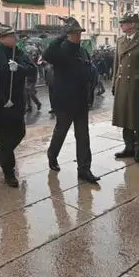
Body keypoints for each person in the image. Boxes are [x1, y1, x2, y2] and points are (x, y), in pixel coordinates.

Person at [44, 17, 101, 184]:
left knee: (83, 136)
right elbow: (47, 54)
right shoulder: (60, 50)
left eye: (79, 33)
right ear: (68, 35)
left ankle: (84, 169)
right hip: (65, 100)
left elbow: (89, 70)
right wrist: (62, 35)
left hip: (81, 99)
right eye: (75, 33)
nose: (78, 36)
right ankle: (52, 154)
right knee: (61, 131)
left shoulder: (83, 51)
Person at [0, 21, 37, 187]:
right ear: (2, 38)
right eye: (12, 35)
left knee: (20, 132)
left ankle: (3, 153)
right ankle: (9, 172)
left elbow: (32, 69)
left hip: (18, 101)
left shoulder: (18, 53)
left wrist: (19, 68)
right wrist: (1, 99)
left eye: (15, 35)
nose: (15, 38)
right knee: (6, 138)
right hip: (3, 103)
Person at [112, 13, 139, 163]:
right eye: (122, 22)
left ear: (133, 25)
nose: (121, 25)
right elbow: (116, 65)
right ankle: (128, 147)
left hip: (137, 87)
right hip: (122, 85)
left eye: (124, 23)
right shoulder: (120, 41)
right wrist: (113, 84)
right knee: (125, 119)